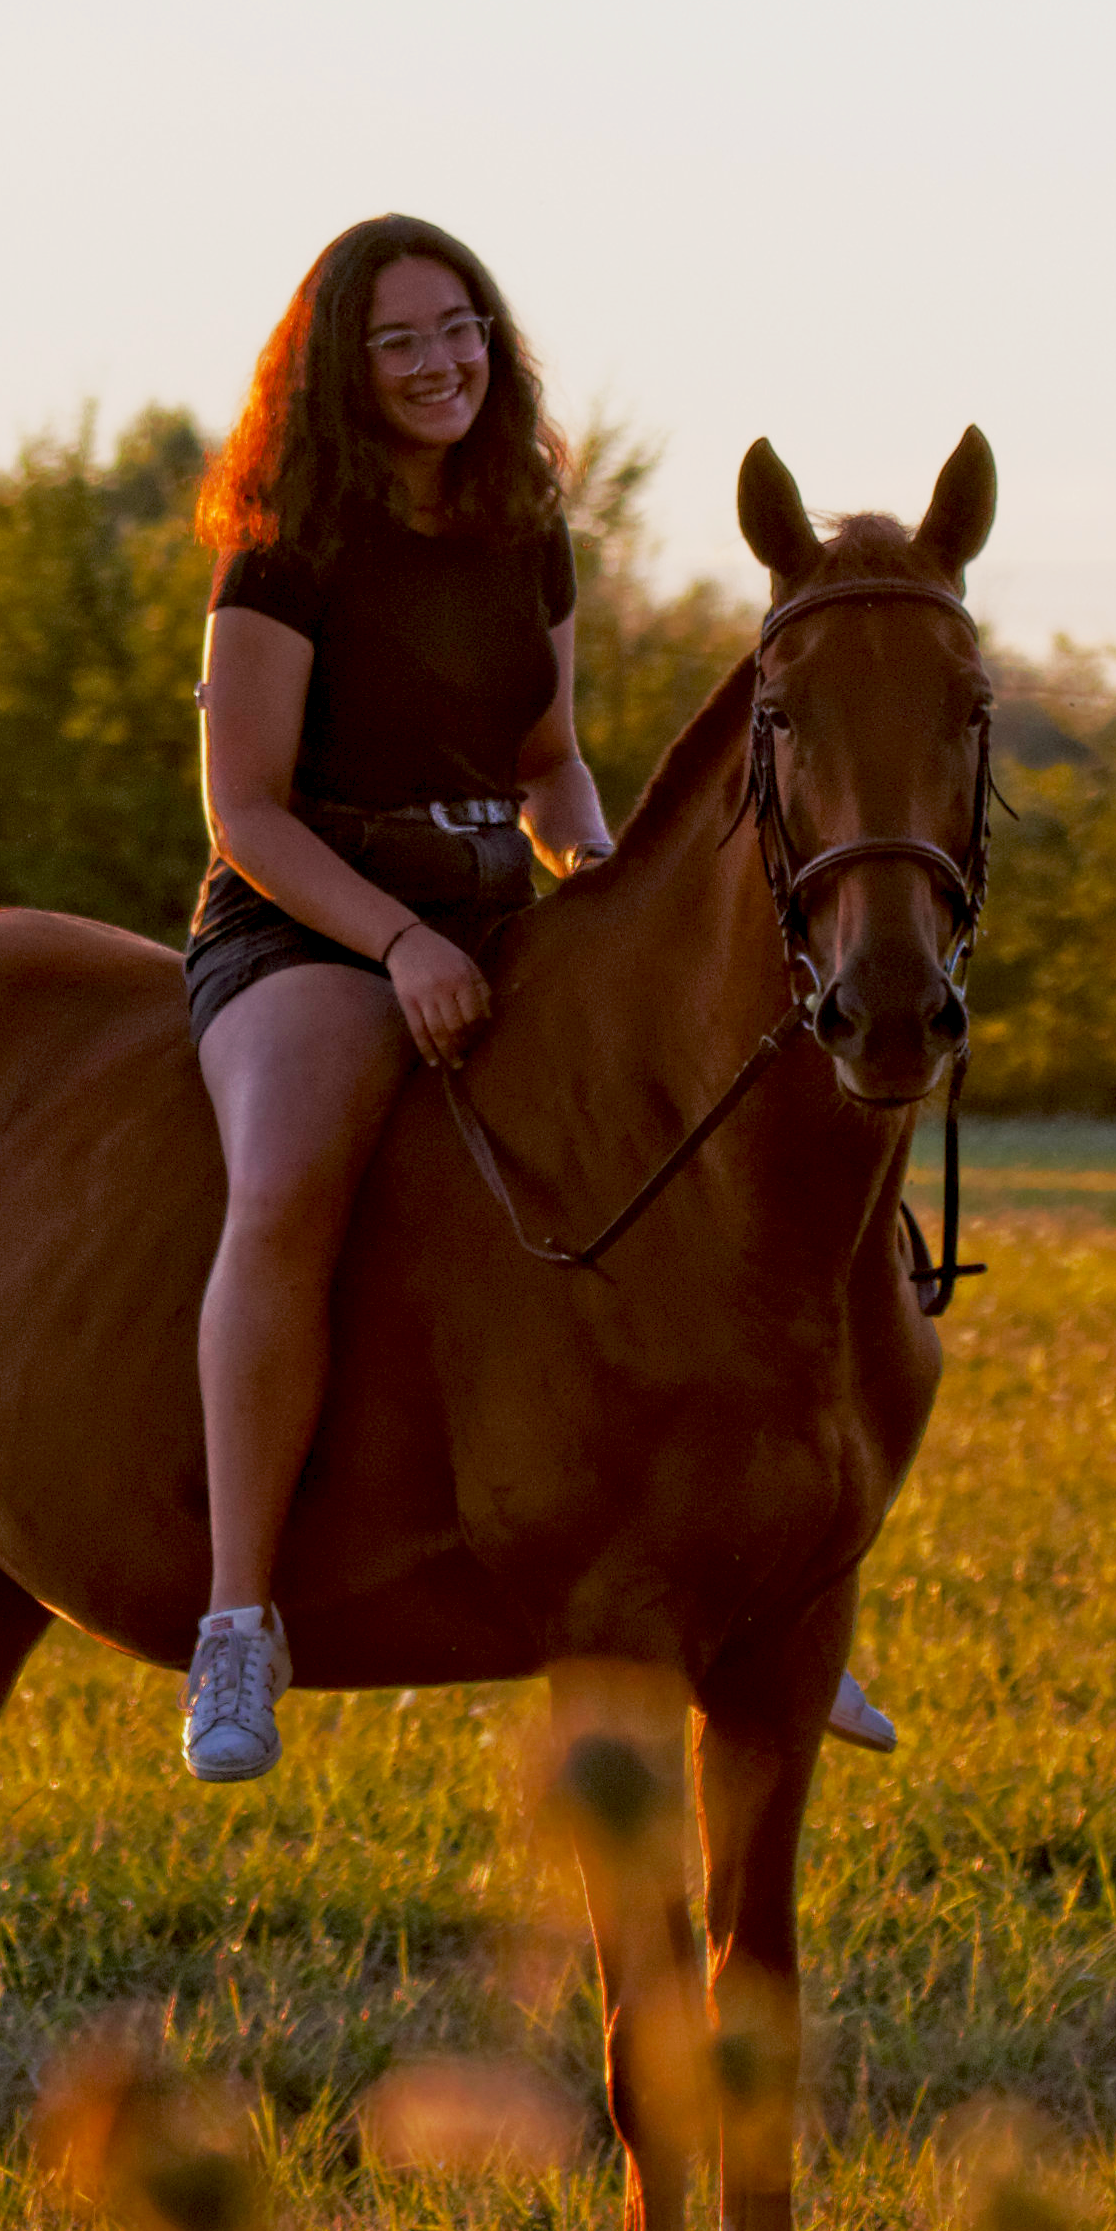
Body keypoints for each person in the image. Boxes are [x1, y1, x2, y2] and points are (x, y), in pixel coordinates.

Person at [177, 214, 897, 1779]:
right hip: (310, 925)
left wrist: (600, 875)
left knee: (714, 1164)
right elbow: (250, 811)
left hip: (500, 911)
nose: (442, 365)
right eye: (400, 342)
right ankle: (237, 1620)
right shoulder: (285, 549)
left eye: (463, 331)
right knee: (291, 1185)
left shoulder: (525, 525)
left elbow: (547, 759)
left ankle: (779, 1595)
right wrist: (395, 947)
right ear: (337, 374)